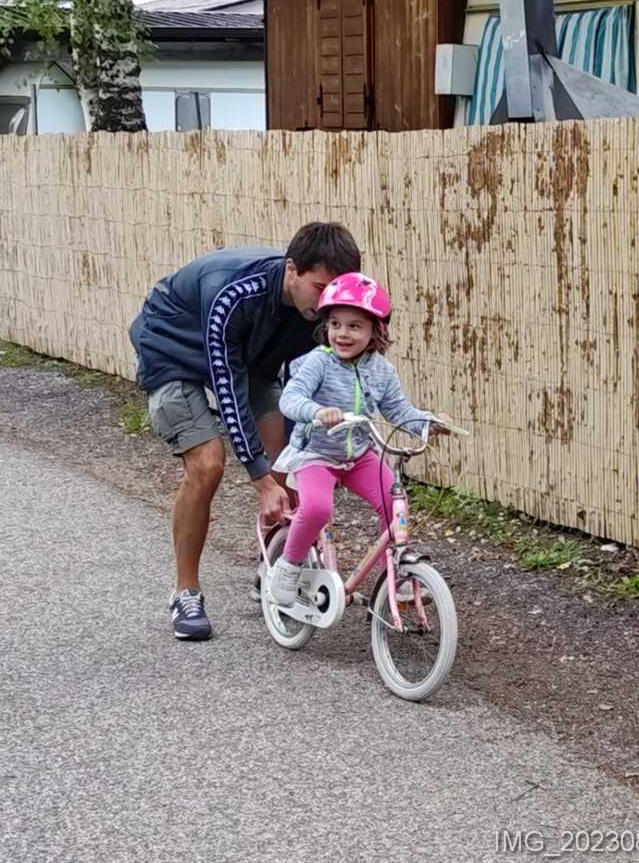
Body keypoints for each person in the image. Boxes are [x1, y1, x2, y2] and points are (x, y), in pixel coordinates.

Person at [129, 223, 362, 640]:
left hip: (252, 358)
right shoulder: (232, 294)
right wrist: (259, 480)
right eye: (319, 287)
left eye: (335, 290)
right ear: (291, 270)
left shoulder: (321, 308)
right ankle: (186, 592)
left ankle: (274, 565)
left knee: (285, 457)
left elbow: (327, 381)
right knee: (207, 464)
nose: (328, 301)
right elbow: (227, 388)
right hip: (173, 349)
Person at [264, 272, 438, 607]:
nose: (342, 334)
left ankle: (396, 573)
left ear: (376, 330)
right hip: (316, 453)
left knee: (395, 503)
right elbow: (291, 398)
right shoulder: (319, 362)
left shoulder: (382, 370)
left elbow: (399, 411)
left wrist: (428, 423)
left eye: (355, 326)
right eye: (335, 324)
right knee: (317, 508)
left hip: (358, 455)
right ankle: (289, 565)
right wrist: (317, 411)